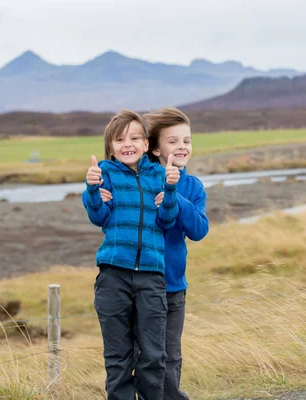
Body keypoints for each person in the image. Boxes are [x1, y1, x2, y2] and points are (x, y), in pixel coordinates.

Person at [100, 107, 209, 400]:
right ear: (155, 146)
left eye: (187, 140)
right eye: (173, 141)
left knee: (166, 359)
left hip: (172, 285)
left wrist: (175, 195)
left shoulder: (192, 186)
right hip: (138, 281)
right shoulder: (142, 179)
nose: (182, 147)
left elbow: (199, 230)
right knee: (131, 355)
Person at [83, 109, 181, 400]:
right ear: (110, 145)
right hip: (113, 276)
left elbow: (167, 220)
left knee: (153, 356)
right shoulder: (104, 173)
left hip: (152, 277)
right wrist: (91, 190)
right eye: (120, 139)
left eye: (135, 137)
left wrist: (171, 192)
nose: (128, 144)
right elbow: (99, 216)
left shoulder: (159, 175)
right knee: (118, 359)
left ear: (145, 142)